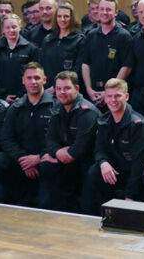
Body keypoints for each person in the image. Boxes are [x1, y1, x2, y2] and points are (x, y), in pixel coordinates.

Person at [0, 63, 55, 205]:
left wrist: (38, 157)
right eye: (29, 78)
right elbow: (6, 138)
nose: (33, 82)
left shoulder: (56, 107)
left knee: (49, 170)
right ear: (23, 80)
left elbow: (58, 139)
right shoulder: (15, 107)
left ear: (45, 80)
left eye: (37, 77)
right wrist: (23, 159)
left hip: (43, 160)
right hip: (21, 159)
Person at [83, 78, 144, 213]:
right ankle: (93, 216)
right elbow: (99, 149)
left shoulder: (139, 125)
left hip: (135, 177)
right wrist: (103, 162)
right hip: (113, 172)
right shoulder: (104, 120)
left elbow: (139, 164)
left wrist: (130, 196)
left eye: (117, 96)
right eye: (109, 96)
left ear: (126, 96)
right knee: (94, 171)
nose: (113, 100)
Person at [38, 71, 99, 211]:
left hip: (86, 161)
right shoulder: (57, 108)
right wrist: (57, 152)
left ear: (77, 89)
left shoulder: (88, 112)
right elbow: (50, 139)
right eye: (59, 89)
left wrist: (60, 156)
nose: (62, 92)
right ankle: (47, 212)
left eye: (66, 88)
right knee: (46, 165)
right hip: (65, 159)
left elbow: (80, 148)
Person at [79, 0, 134, 106]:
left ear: (116, 12)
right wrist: (89, 89)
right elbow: (85, 64)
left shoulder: (124, 36)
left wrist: (109, 92)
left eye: (108, 9)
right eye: (102, 9)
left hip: (115, 96)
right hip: (93, 94)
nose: (104, 12)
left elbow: (126, 67)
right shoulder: (91, 35)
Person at [0, 13, 39, 102]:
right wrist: (3, 95)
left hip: (26, 98)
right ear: (3, 30)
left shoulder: (31, 49)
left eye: (14, 27)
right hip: (0, 99)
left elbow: (35, 75)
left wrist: (23, 95)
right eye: (7, 27)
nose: (11, 30)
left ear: (20, 27)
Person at [39, 1, 85, 85]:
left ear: (72, 18)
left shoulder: (79, 40)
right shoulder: (48, 40)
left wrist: (60, 86)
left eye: (66, 16)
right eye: (59, 16)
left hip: (69, 87)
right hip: (48, 88)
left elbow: (78, 69)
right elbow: (42, 66)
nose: (62, 19)